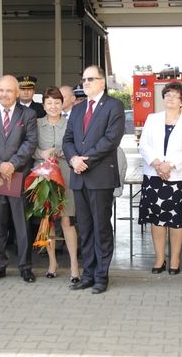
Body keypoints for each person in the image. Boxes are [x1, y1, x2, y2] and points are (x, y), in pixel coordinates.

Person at [63, 65, 125, 294]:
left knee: (101, 228)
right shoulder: (78, 109)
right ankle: (88, 274)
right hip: (79, 177)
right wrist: (72, 159)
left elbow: (111, 140)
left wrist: (84, 160)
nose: (85, 83)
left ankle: (101, 276)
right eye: (83, 79)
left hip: (99, 177)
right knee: (85, 228)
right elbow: (67, 139)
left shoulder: (114, 106)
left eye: (91, 79)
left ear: (102, 82)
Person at [0, 74, 38, 283]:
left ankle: (25, 266)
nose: (4, 94)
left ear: (17, 92)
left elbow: (30, 143)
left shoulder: (28, 115)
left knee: (21, 223)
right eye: (1, 90)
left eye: (9, 91)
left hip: (18, 174)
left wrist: (12, 164)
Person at [138, 82, 182, 275]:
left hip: (178, 177)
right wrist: (157, 163)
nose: (170, 98)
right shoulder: (152, 118)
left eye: (175, 96)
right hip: (154, 176)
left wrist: (169, 165)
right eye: (167, 95)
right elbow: (143, 144)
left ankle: (174, 260)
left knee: (176, 221)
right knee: (156, 220)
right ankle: (159, 259)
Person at [33, 86, 80, 282]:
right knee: (48, 220)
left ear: (63, 104)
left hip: (66, 176)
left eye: (57, 103)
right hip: (44, 177)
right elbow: (28, 146)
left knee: (67, 220)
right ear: (43, 105)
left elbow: (77, 145)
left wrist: (65, 153)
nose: (53, 107)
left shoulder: (71, 124)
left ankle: (74, 265)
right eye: (49, 103)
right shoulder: (35, 124)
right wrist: (40, 154)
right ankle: (52, 262)